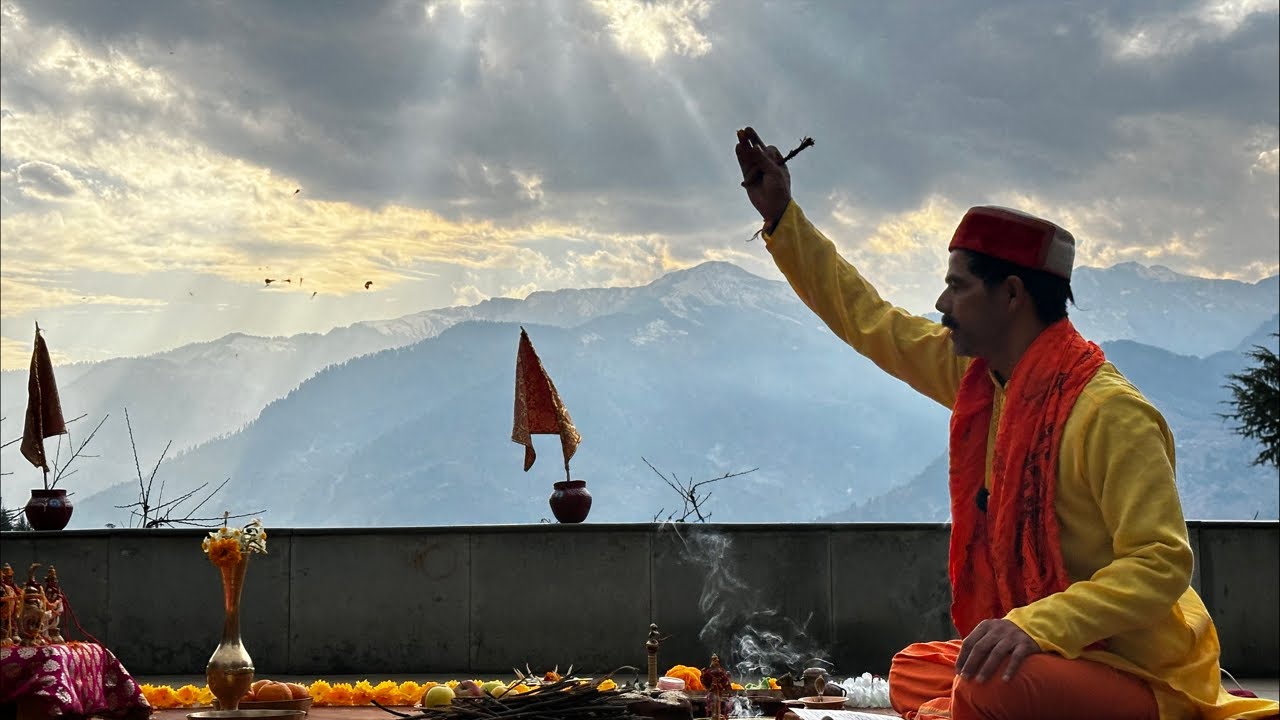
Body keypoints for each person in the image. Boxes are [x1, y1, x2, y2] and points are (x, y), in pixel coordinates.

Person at [733, 127, 1279, 720]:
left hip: (1140, 671)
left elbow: (1160, 562)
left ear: (1012, 294)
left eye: (957, 286)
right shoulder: (983, 380)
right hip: (1056, 655)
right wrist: (782, 217)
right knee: (913, 668)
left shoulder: (1109, 413)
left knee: (988, 687)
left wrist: (1035, 626)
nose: (942, 305)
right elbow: (870, 320)